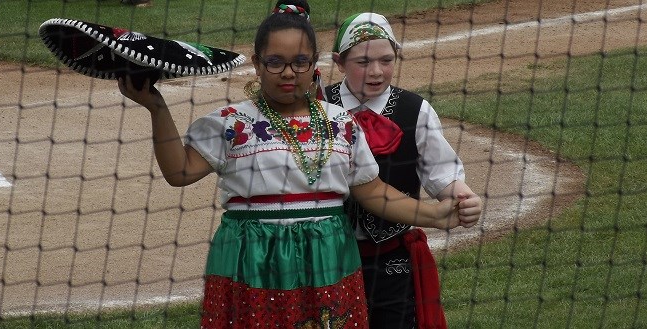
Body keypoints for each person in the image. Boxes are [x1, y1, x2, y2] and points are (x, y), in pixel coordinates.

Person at [118, 2, 468, 327]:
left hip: (328, 260)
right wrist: (156, 107)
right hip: (251, 261)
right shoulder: (232, 123)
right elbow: (179, 172)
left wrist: (433, 215)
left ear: (315, 63)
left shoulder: (341, 123)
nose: (289, 73)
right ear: (257, 63)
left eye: (300, 62)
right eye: (275, 62)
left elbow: (373, 191)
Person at [325, 12, 482, 329]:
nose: (376, 71)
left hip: (392, 262)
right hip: (327, 258)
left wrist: (463, 196)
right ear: (338, 62)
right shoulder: (316, 107)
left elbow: (442, 174)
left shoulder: (415, 110)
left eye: (386, 60)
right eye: (363, 62)